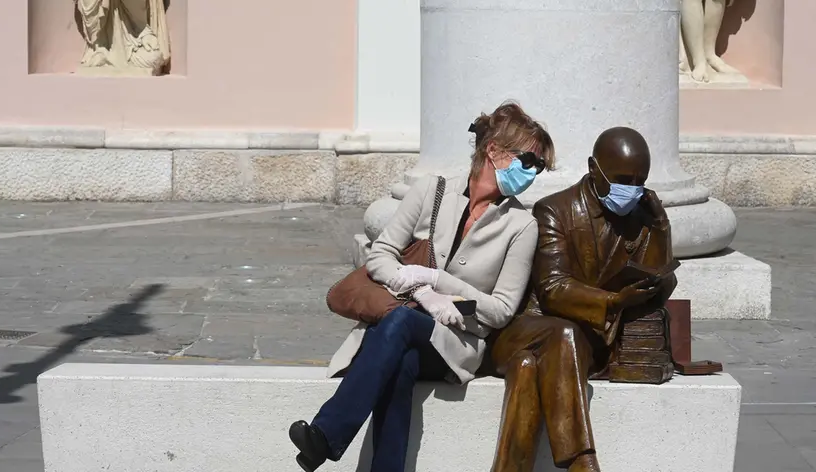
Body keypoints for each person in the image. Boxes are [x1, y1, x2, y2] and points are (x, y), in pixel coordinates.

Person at [288, 102, 555, 472]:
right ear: (493, 151)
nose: (533, 172)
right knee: (401, 362)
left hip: (459, 341)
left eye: (539, 166)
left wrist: (438, 281)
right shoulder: (432, 192)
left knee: (396, 325)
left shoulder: (521, 226)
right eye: (528, 160)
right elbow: (380, 256)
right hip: (409, 325)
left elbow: (502, 309)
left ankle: (326, 435)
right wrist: (421, 293)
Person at [487, 127, 677, 472]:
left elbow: (659, 285)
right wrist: (614, 301)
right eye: (622, 179)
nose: (631, 189)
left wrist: (661, 229)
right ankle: (581, 462)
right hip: (527, 332)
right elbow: (553, 288)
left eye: (639, 180)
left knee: (527, 370)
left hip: (586, 347)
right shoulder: (554, 211)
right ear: (593, 168)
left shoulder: (643, 217)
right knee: (561, 335)